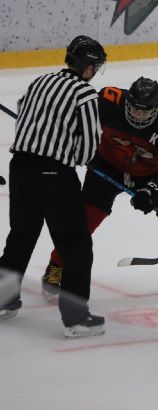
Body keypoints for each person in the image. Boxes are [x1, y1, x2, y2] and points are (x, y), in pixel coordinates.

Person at [39, 77, 158, 301]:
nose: (139, 116)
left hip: (151, 174)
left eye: (146, 111)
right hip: (108, 165)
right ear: (127, 103)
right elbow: (74, 115)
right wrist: (70, 140)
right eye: (135, 109)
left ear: (156, 108)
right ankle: (56, 265)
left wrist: (154, 189)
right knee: (84, 221)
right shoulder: (108, 101)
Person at [0, 35, 106, 337]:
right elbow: (87, 150)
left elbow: (23, 118)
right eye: (95, 66)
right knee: (76, 244)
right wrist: (73, 153)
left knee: (21, 235)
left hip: (20, 167)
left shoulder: (40, 81)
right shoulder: (85, 94)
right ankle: (76, 318)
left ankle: (2, 301)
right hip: (54, 175)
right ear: (88, 67)